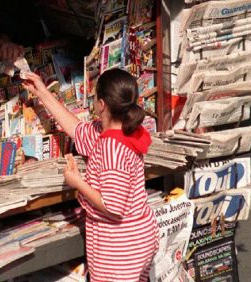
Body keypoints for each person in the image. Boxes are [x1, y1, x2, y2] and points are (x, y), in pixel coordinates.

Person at [22, 68, 159, 282]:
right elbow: (76, 129)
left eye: (94, 97)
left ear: (101, 104)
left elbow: (113, 207)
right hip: (134, 238)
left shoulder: (113, 148)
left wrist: (78, 183)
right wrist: (42, 93)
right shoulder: (115, 131)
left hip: (121, 247)